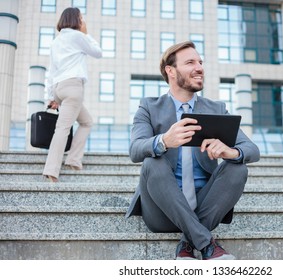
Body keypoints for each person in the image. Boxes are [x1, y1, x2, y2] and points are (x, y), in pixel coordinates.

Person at [125, 41, 260, 260]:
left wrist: (229, 152)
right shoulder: (149, 107)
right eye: (190, 62)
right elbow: (135, 150)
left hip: (205, 206)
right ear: (171, 71)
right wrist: (164, 141)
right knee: (153, 161)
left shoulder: (216, 108)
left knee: (237, 168)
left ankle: (188, 243)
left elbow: (252, 149)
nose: (199, 67)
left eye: (200, 62)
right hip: (162, 210)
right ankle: (206, 245)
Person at [42, 7, 102, 183]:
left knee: (86, 121)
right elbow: (98, 53)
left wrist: (51, 96)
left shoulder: (56, 41)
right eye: (81, 18)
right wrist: (87, 34)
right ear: (76, 20)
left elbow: (51, 70)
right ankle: (51, 170)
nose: (83, 21)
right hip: (73, 87)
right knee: (62, 128)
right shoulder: (78, 36)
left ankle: (73, 159)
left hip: (59, 88)